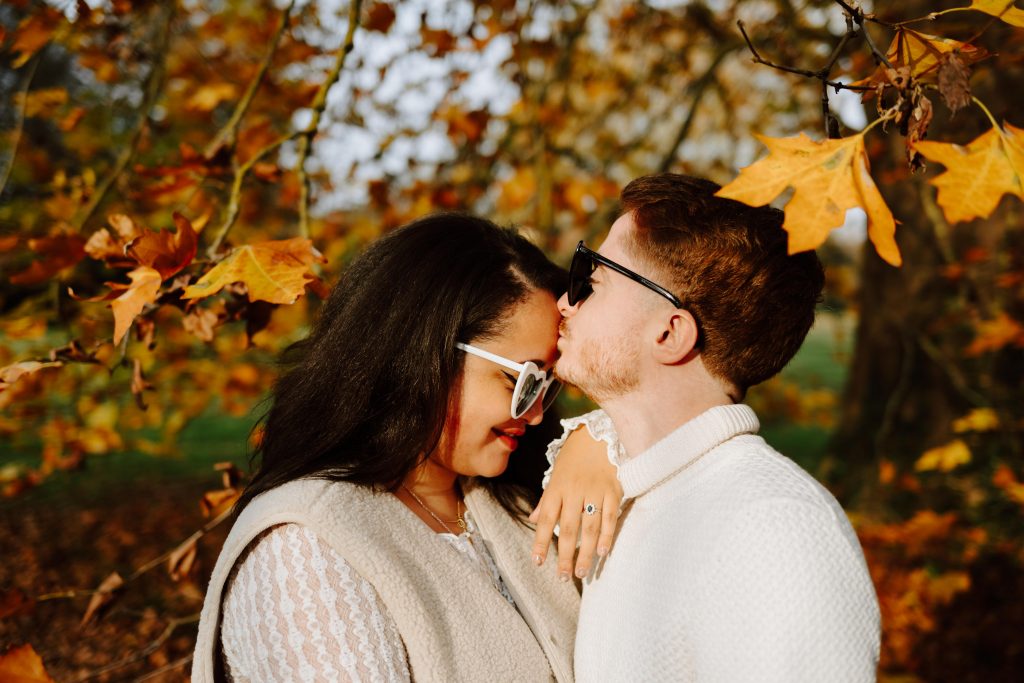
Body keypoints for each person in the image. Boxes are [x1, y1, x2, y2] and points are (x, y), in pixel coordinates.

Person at [191, 213, 579, 682]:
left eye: (548, 386)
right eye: (522, 381)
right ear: (423, 351)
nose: (536, 414)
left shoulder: (518, 501)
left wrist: (597, 442)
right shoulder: (305, 547)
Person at [533, 173, 881, 681]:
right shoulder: (626, 494)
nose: (566, 302)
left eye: (594, 277)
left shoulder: (775, 529)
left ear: (671, 333)